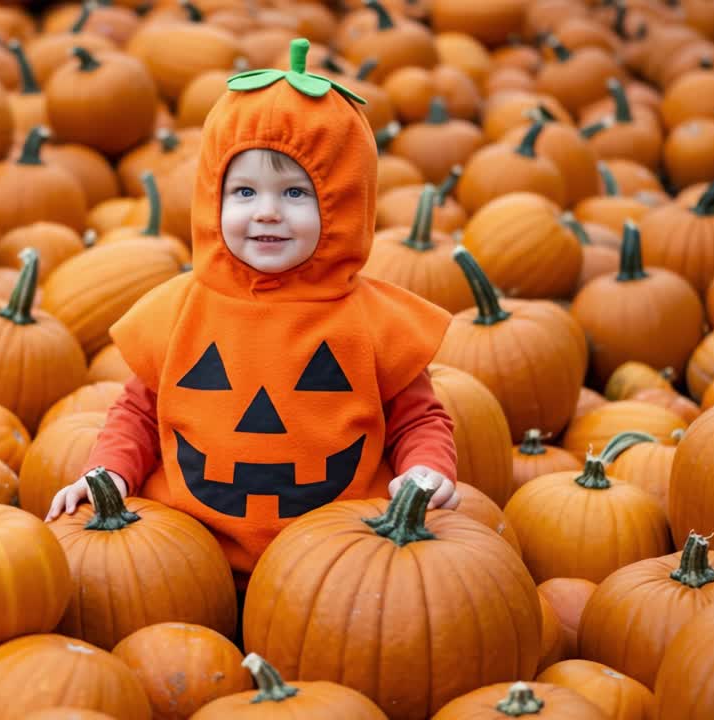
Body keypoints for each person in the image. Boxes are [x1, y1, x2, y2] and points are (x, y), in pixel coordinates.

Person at [45, 39, 460, 592]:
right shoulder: (181, 310)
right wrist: (111, 472)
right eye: (243, 191)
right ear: (212, 198)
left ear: (341, 204)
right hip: (190, 561)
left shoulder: (371, 322)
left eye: (295, 192)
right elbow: (141, 412)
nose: (267, 212)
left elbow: (418, 417)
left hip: (337, 573)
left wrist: (425, 468)